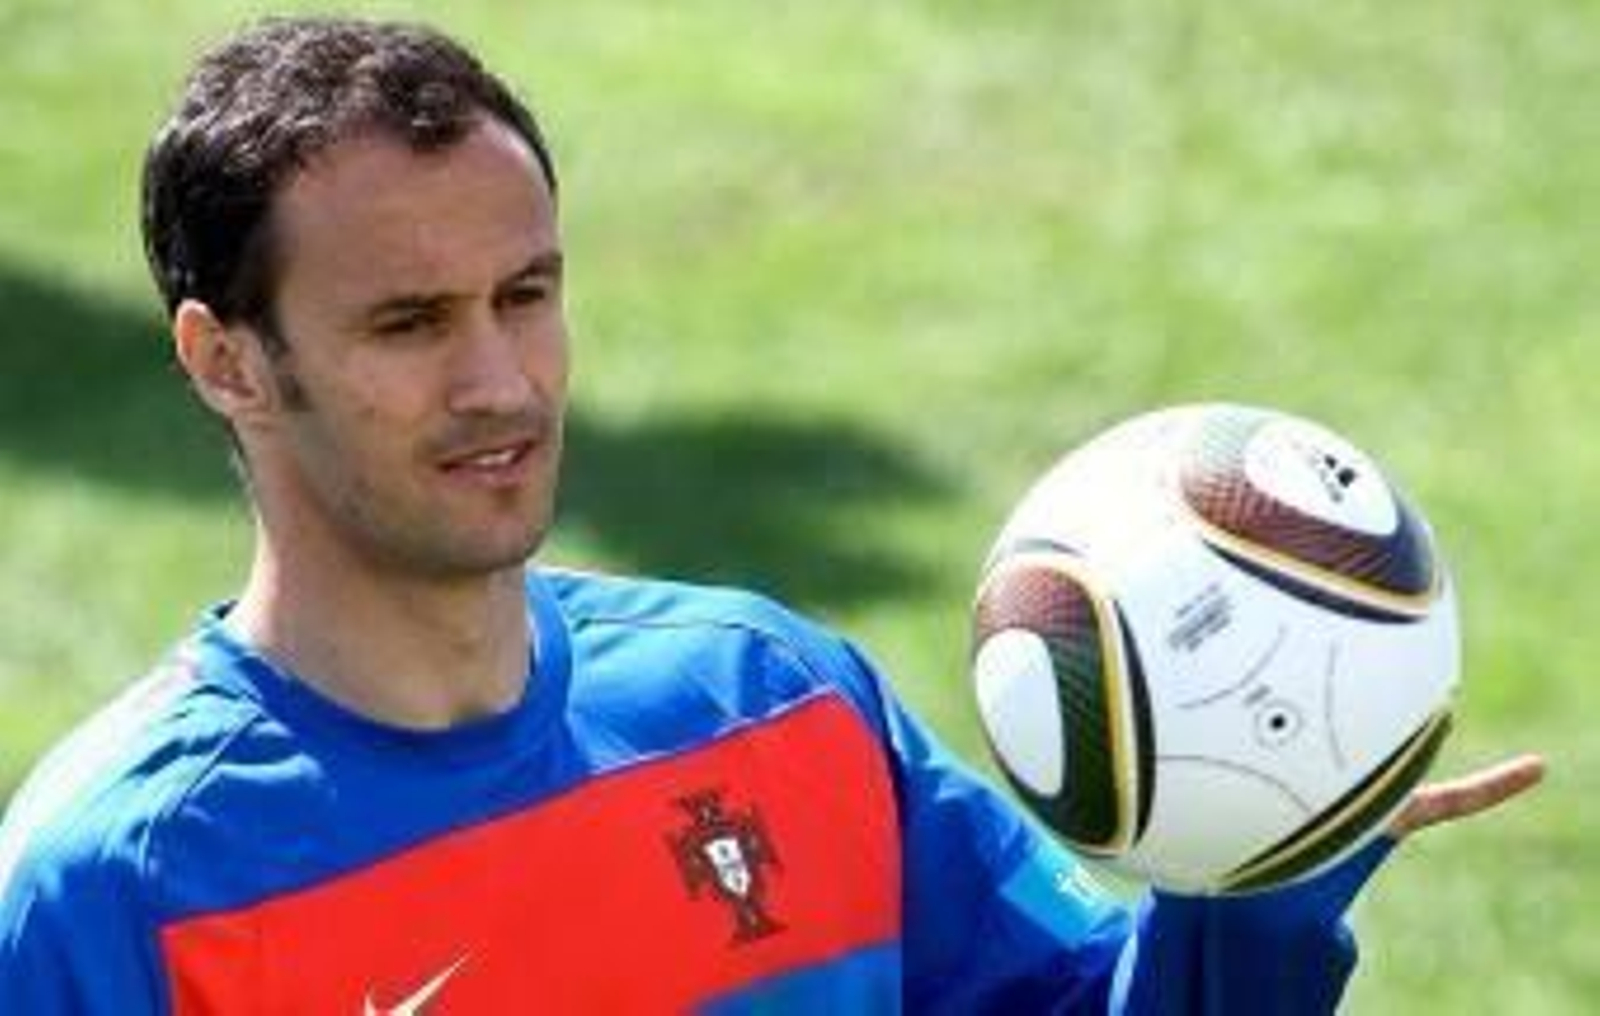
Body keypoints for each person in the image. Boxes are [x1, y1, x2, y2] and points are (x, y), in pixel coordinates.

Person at [0, 15, 1542, 1014]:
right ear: (228, 363)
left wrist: (1257, 880)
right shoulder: (120, 888)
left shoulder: (769, 702)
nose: (502, 382)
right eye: (407, 325)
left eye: (527, 296)